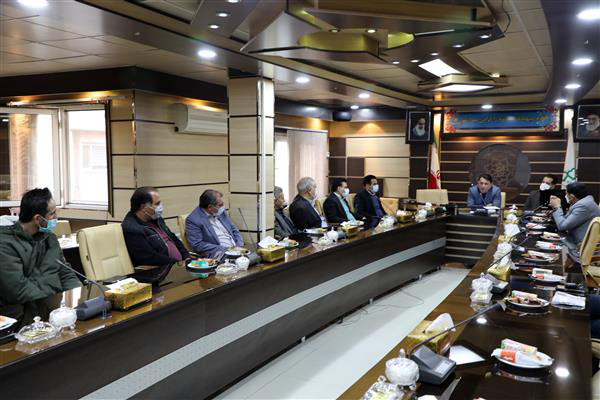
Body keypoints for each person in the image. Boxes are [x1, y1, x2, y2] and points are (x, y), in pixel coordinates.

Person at [0, 188, 81, 327]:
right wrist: (53, 309)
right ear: (38, 219)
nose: (56, 217)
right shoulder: (5, 244)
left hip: (54, 312)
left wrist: (78, 306)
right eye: (52, 213)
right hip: (23, 319)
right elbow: (18, 290)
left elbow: (65, 272)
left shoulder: (49, 238)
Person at [122, 187, 190, 282]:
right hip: (159, 276)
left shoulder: (156, 219)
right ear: (143, 207)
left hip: (178, 269)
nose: (161, 206)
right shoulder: (131, 228)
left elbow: (173, 238)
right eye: (157, 204)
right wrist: (177, 263)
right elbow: (149, 257)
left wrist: (187, 257)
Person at [186, 189, 244, 258]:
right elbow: (197, 245)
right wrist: (227, 250)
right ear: (210, 207)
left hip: (236, 250)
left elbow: (234, 229)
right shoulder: (193, 220)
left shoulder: (220, 212)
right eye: (220, 205)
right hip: (219, 254)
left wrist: (239, 245)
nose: (223, 207)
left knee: (254, 257)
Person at [549, 182, 600, 249]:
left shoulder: (583, 206)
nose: (565, 196)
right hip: (574, 240)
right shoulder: (584, 202)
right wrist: (556, 207)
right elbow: (565, 220)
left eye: (566, 193)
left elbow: (562, 226)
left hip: (579, 246)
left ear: (572, 197)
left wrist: (557, 207)